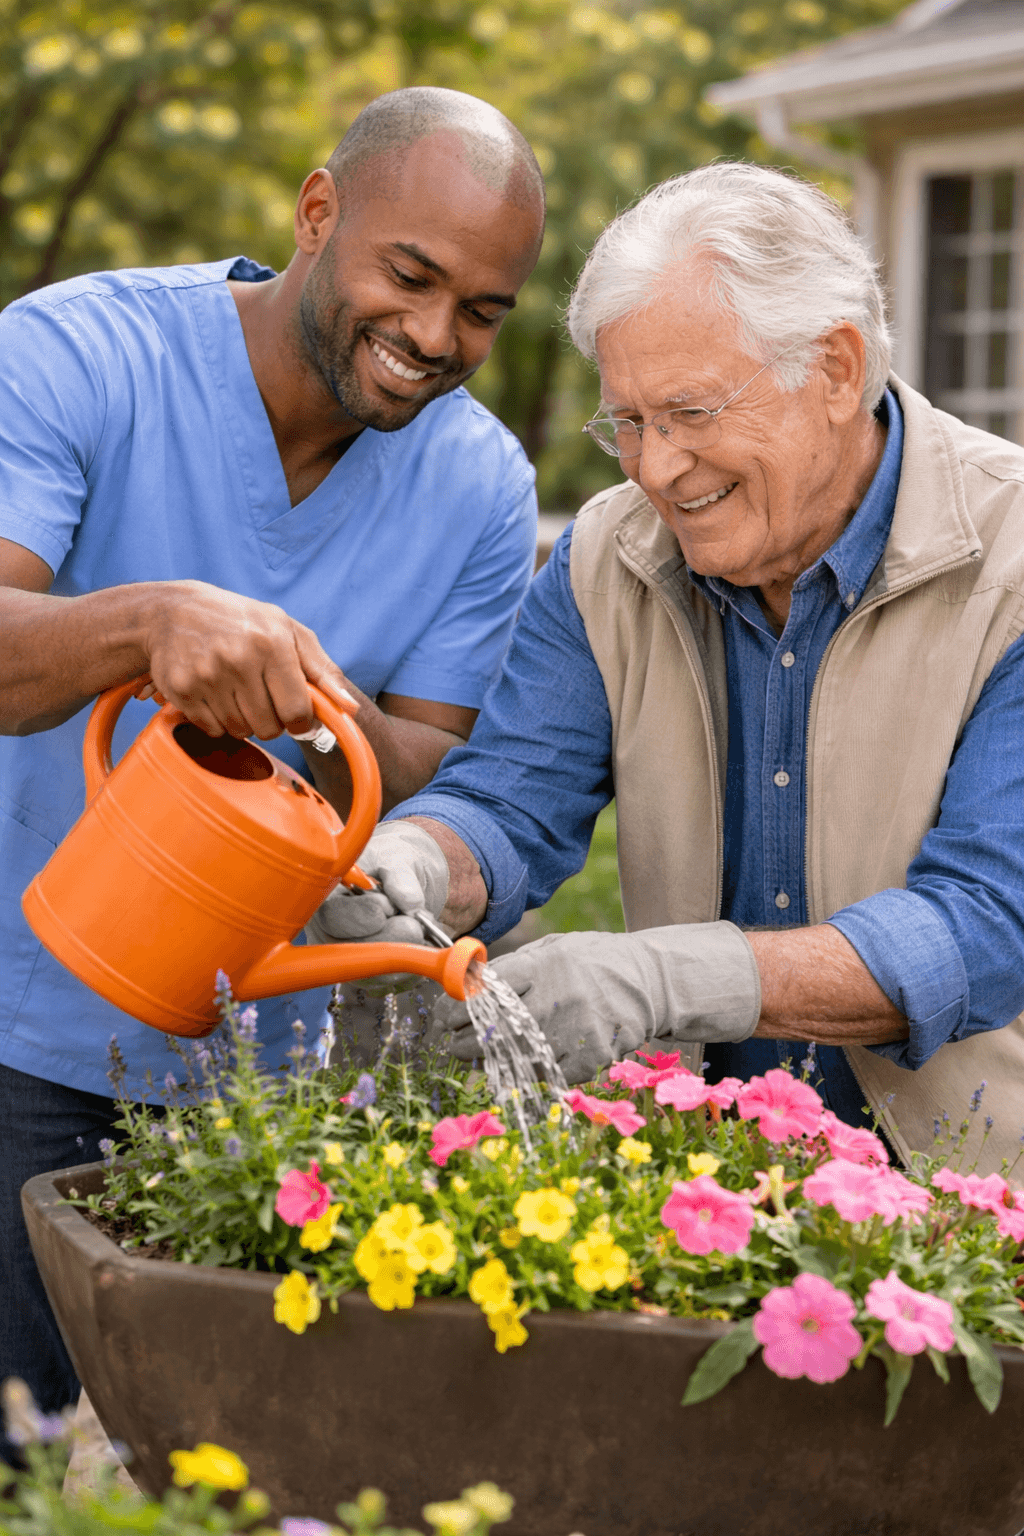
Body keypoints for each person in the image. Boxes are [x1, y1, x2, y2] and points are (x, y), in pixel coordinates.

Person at [0, 86, 545, 1451]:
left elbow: (422, 743)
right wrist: (146, 623)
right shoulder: (78, 353)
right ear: (318, 215)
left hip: (272, 1085)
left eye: (483, 311)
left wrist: (292, 726)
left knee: (227, 1477)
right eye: (410, 276)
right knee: (28, 1463)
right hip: (23, 1042)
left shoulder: (480, 486)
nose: (435, 336)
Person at [317, 162, 1024, 1184]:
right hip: (710, 1202)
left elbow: (985, 926)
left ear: (834, 367)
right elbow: (513, 797)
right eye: (630, 424)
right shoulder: (609, 554)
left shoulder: (1009, 559)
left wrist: (656, 977)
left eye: (690, 412)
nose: (655, 469)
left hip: (974, 1216)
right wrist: (420, 856)